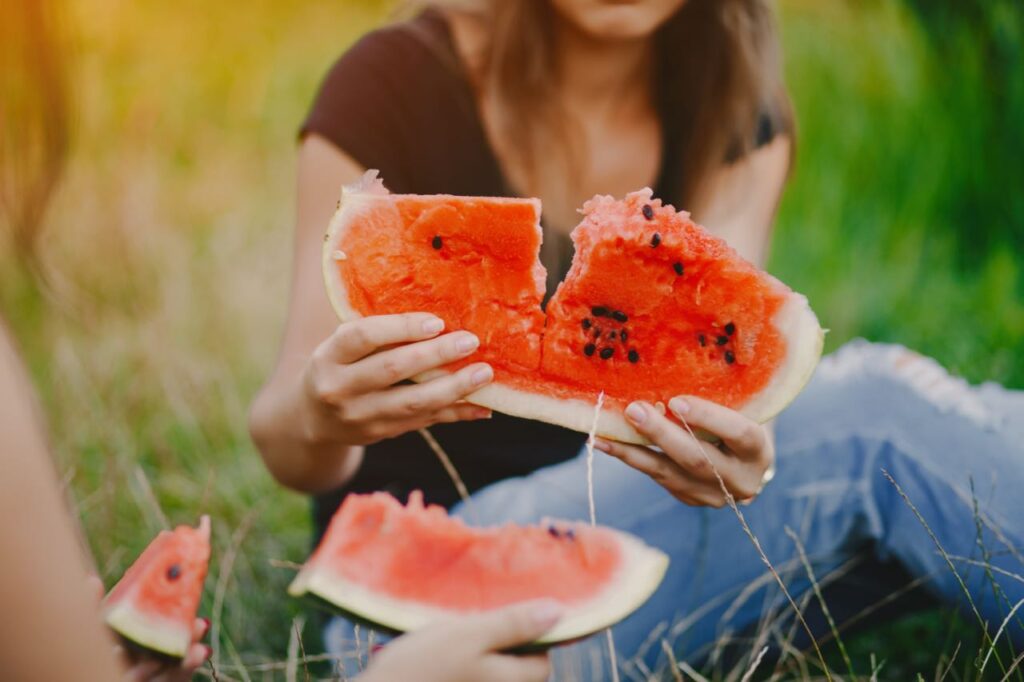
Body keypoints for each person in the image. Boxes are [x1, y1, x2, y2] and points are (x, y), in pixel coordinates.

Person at [249, 0, 1024, 675]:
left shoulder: (738, 116)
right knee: (876, 419)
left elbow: (712, 383)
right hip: (412, 628)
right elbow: (287, 442)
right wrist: (322, 414)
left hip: (643, 554)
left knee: (960, 429)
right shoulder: (390, 83)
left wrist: (737, 455)